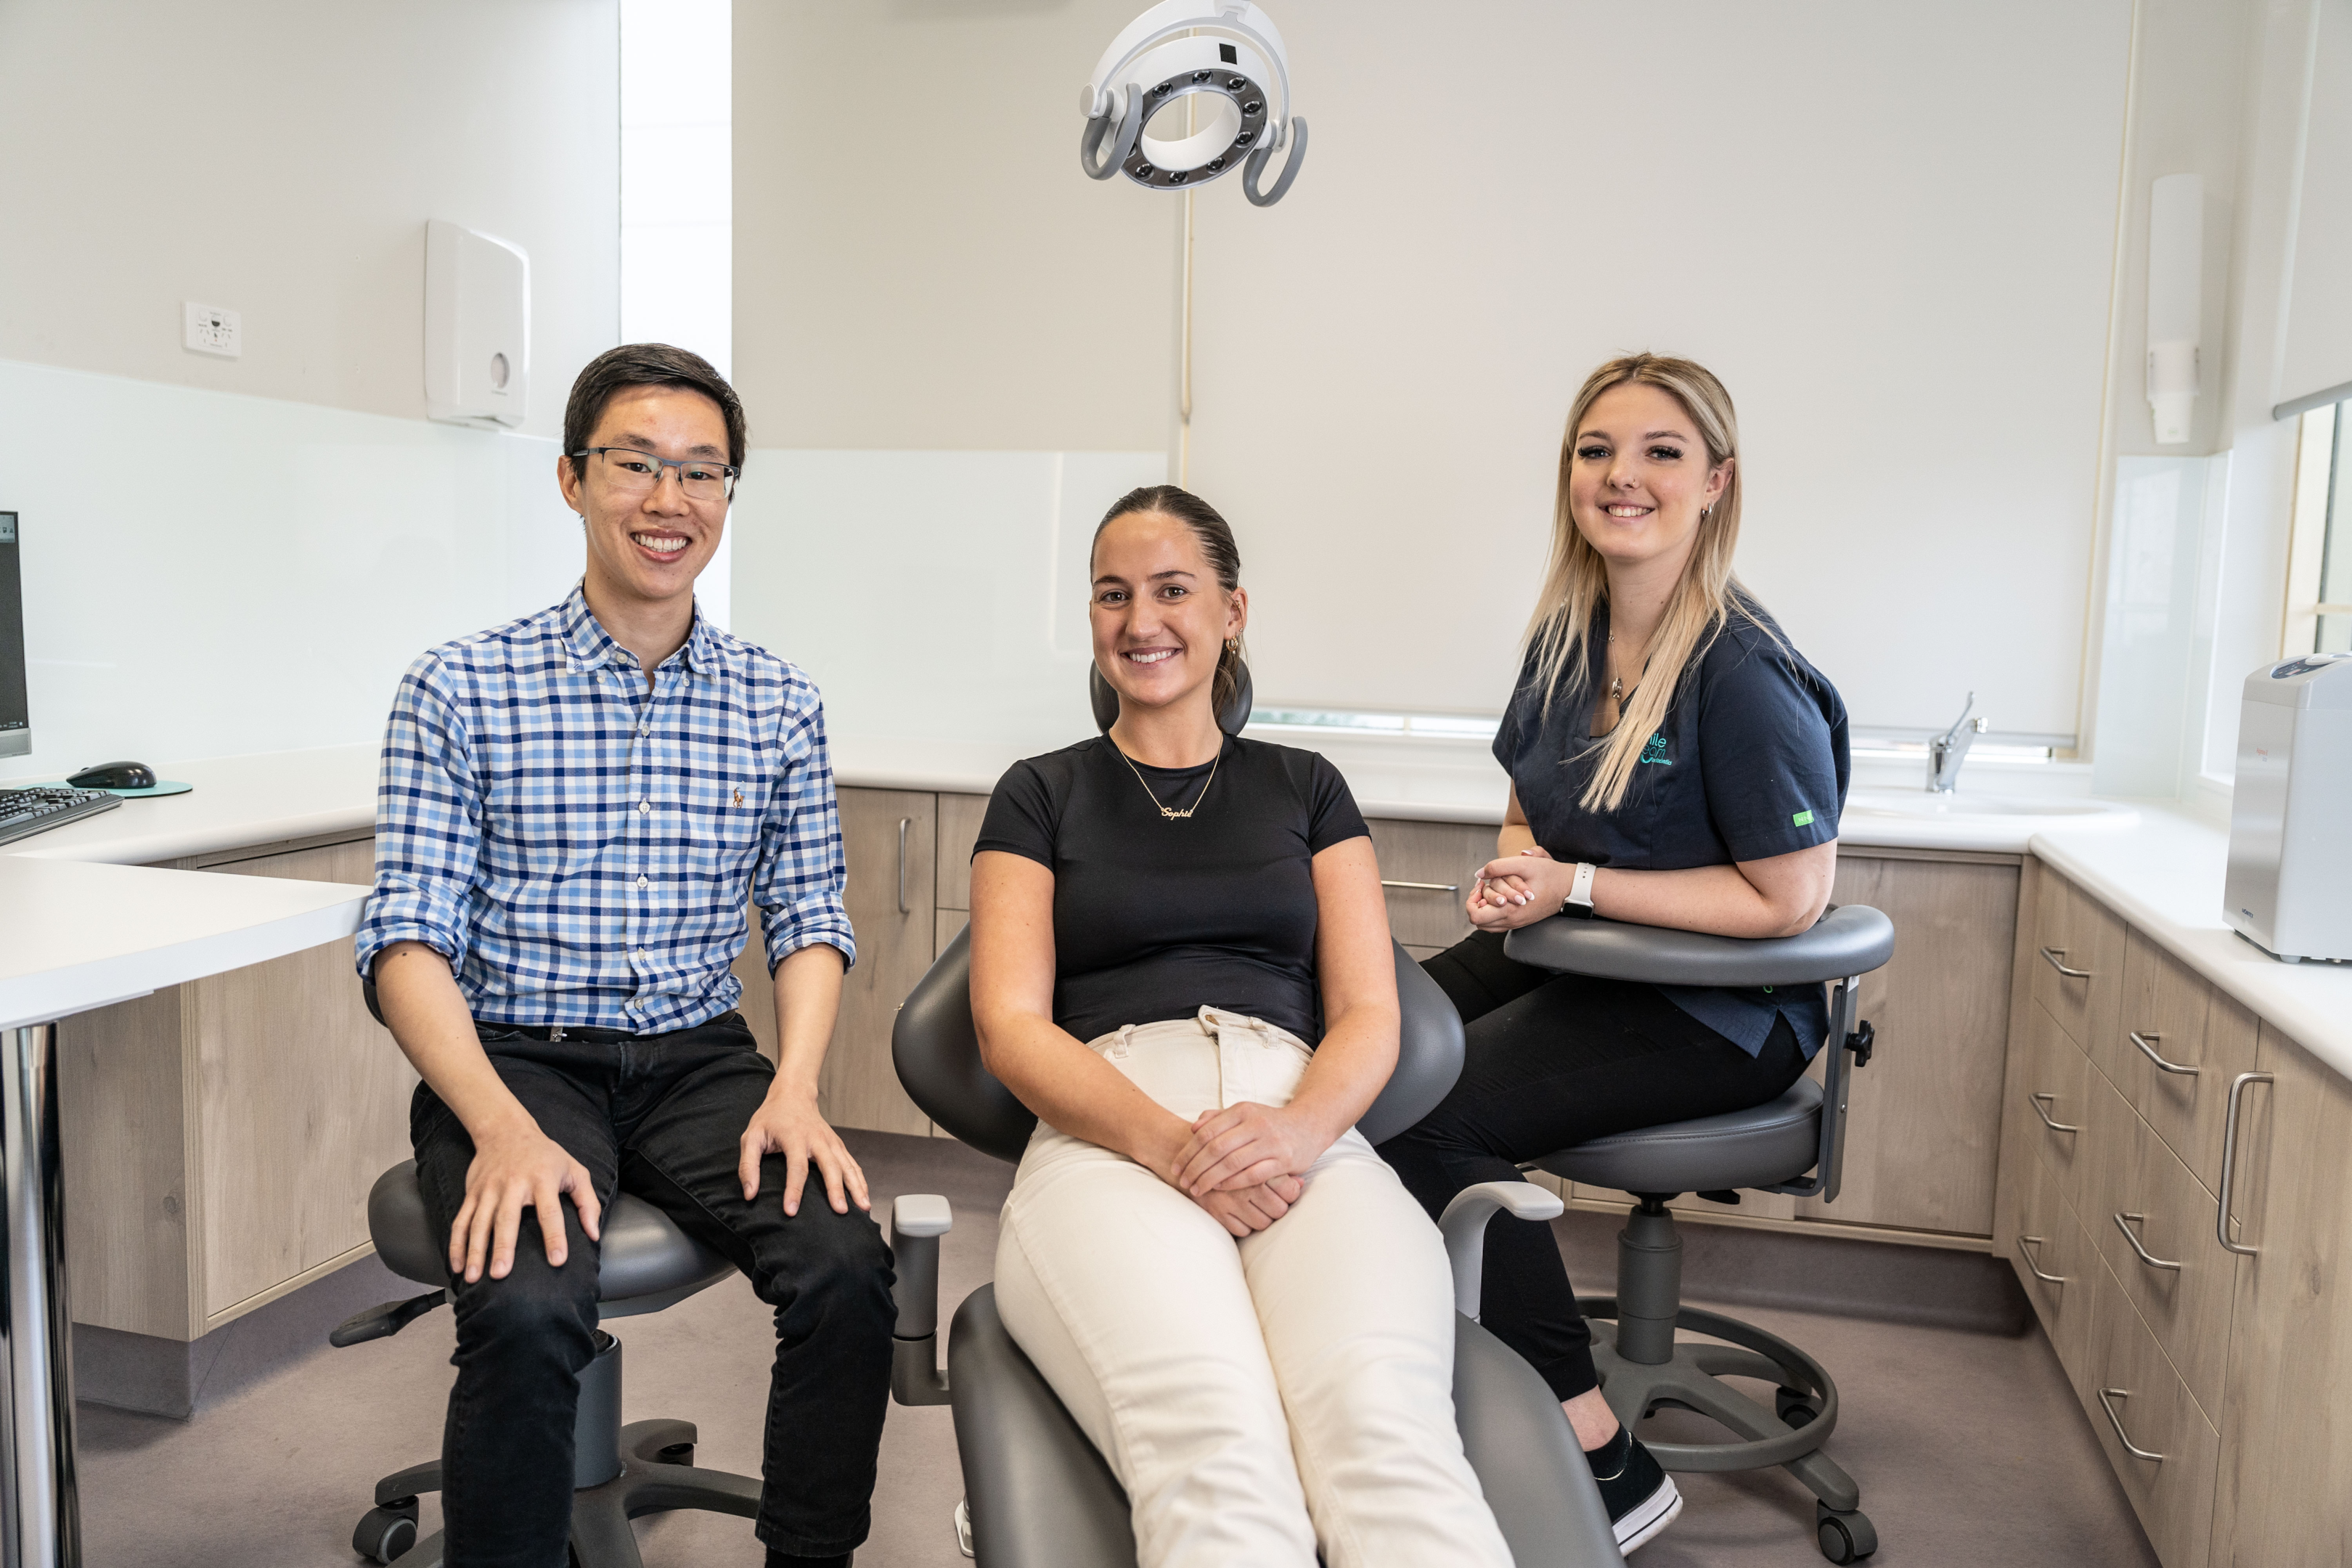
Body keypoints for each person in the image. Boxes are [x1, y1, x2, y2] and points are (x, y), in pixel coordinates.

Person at [354, 343, 892, 1568]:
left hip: (700, 1057)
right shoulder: (460, 689)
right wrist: (494, 1122)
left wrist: (797, 1091)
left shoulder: (779, 703)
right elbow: (405, 939)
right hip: (518, 1050)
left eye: (701, 472)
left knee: (846, 1264)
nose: (670, 500)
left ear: (728, 496)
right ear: (569, 479)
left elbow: (808, 918)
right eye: (636, 464)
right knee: (530, 1298)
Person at [967, 486, 1513, 1568]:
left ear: (1233, 609)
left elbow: (1368, 1011)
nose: (1141, 621)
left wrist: (1300, 1133)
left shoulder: (1307, 787)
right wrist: (1174, 1146)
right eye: (1112, 596)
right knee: (1219, 1442)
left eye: (1173, 590)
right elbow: (1010, 1026)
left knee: (1383, 1428)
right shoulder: (1038, 794)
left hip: (1295, 1118)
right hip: (1111, 1129)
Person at [1378, 354, 1850, 1555]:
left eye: (1659, 453)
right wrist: (1517, 874)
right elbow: (1532, 803)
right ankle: (1413, 1376)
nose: (1621, 477)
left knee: (1438, 1116)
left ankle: (1599, 1453)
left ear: (1715, 484)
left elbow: (1792, 899)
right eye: (1597, 451)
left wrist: (1576, 883)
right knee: (1368, 1051)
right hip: (1585, 961)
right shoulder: (1565, 636)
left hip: (1725, 1012)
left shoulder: (1740, 671)